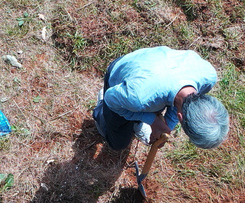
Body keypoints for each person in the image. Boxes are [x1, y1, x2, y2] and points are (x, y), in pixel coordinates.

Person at [93, 46, 229, 151]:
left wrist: (165, 127)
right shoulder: (139, 97)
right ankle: (100, 110)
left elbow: (179, 104)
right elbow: (110, 98)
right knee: (117, 143)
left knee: (141, 107)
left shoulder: (208, 76)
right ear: (180, 117)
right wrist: (152, 120)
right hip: (120, 76)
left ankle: (135, 119)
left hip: (153, 73)